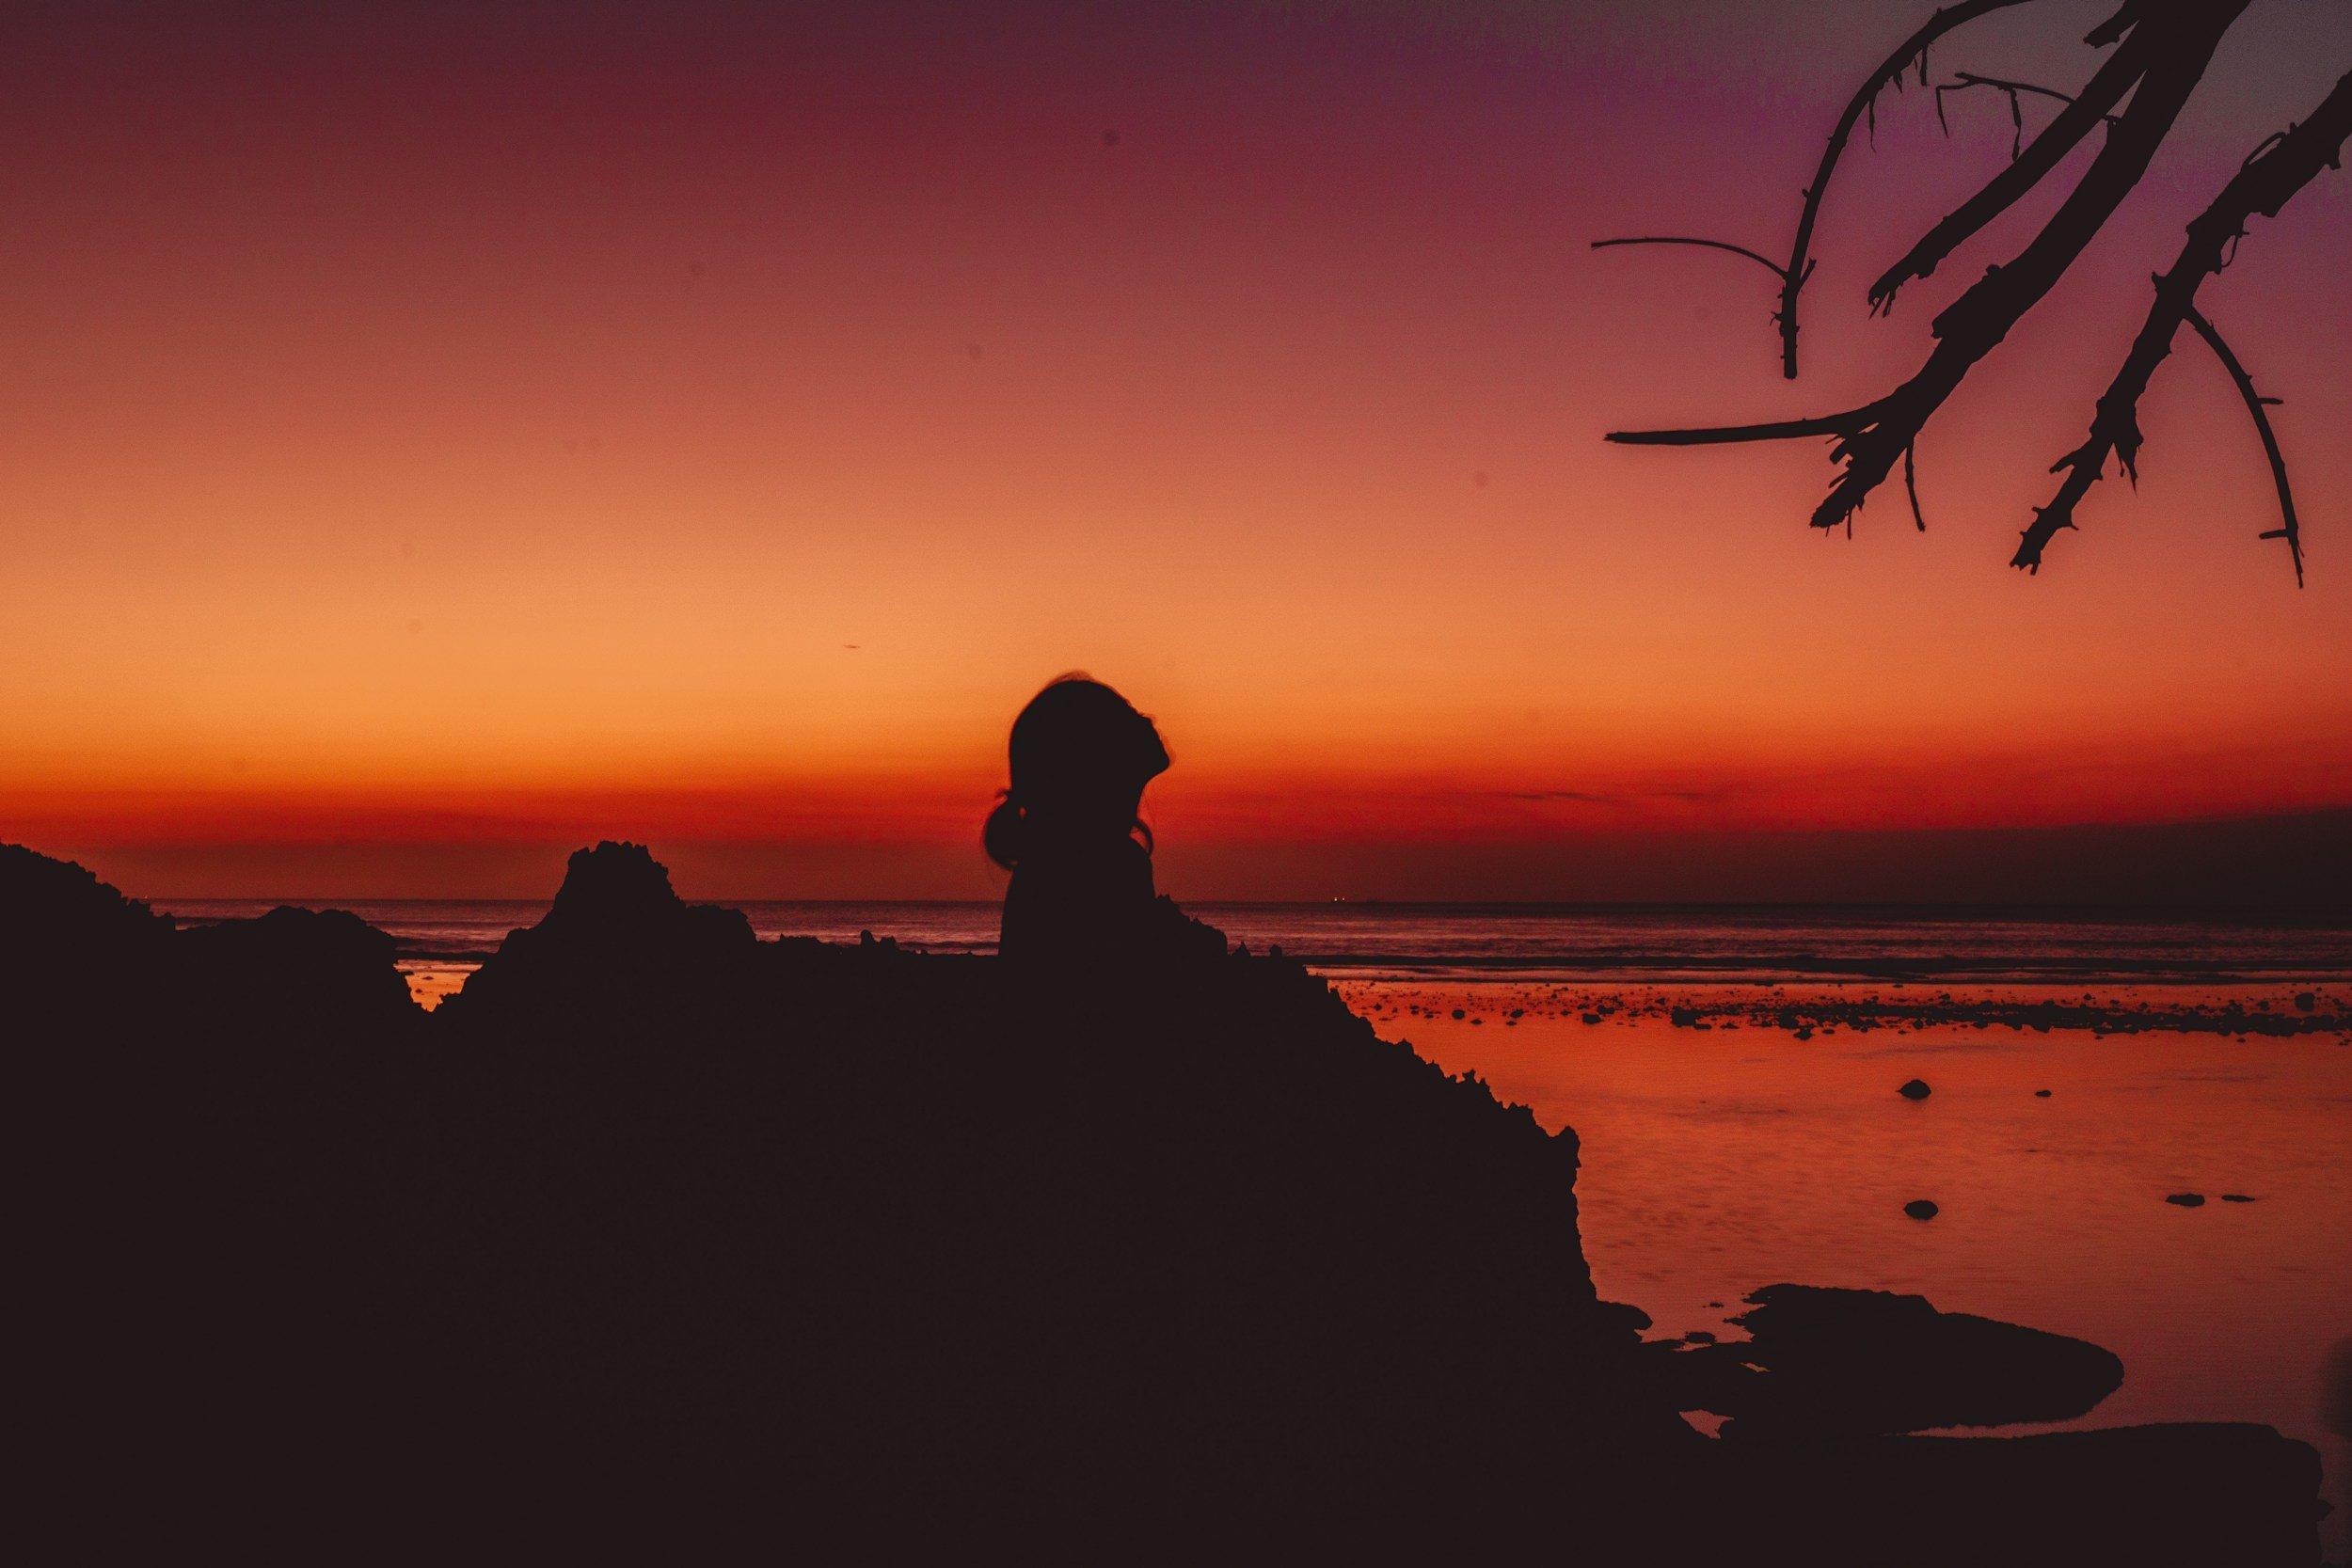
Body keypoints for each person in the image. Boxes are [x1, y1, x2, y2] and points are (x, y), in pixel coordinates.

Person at [986, 674, 1212, 967]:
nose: (1147, 719)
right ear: (1092, 752)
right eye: (1128, 713)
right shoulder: (1104, 861)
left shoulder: (1058, 858)